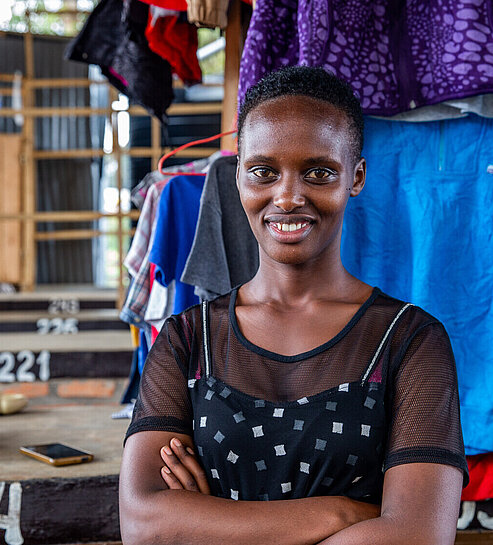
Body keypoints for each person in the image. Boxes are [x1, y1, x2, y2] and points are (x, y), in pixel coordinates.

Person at [119, 65, 469, 545]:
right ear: (237, 175)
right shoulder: (186, 339)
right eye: (264, 172)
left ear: (356, 177)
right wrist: (340, 514)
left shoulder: (410, 341)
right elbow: (142, 525)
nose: (287, 196)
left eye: (319, 172)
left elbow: (417, 537)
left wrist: (210, 523)